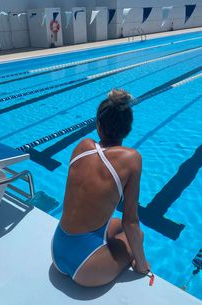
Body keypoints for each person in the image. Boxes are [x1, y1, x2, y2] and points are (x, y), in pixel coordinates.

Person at [52, 89, 149, 287]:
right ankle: (108, 255)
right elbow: (130, 222)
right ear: (128, 129)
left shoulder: (82, 146)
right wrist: (141, 267)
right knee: (137, 235)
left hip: (57, 249)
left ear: (98, 125)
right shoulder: (131, 159)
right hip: (85, 268)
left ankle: (101, 249)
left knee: (115, 224)